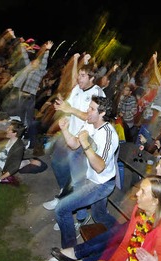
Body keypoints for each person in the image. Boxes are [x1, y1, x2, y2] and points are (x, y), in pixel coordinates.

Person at [51, 175, 161, 261]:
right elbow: (125, 245)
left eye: (143, 192)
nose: (137, 194)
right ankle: (76, 259)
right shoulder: (138, 210)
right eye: (139, 189)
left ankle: (77, 260)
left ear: (155, 201)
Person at [43, 54, 105, 211]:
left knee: (76, 177)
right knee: (57, 162)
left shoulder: (98, 94)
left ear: (92, 78)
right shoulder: (77, 89)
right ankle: (65, 192)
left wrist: (70, 109)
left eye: (83, 76)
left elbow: (91, 117)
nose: (79, 78)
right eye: (79, 75)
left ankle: (70, 209)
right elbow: (69, 105)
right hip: (69, 134)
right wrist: (63, 106)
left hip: (85, 139)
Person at [55, 96, 118, 248]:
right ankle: (120, 233)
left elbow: (99, 167)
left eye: (91, 109)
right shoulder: (90, 124)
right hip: (92, 179)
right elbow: (73, 144)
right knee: (99, 215)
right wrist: (65, 130)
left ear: (102, 114)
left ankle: (69, 251)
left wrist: (85, 143)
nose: (87, 111)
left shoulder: (109, 135)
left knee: (61, 210)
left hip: (102, 184)